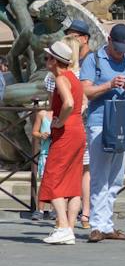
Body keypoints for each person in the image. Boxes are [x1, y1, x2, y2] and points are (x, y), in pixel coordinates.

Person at [79, 21, 125, 242]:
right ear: (109, 41)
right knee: (100, 174)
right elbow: (86, 91)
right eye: (118, 49)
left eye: (124, 50)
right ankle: (97, 226)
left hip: (122, 123)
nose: (121, 54)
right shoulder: (94, 59)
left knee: (116, 177)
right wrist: (109, 85)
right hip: (100, 122)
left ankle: (107, 224)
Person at [38, 41, 85, 243]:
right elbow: (79, 103)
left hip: (66, 131)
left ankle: (63, 226)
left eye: (48, 58)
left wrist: (59, 121)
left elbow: (69, 103)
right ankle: (70, 229)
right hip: (78, 129)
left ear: (55, 61)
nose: (46, 61)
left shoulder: (60, 78)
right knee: (73, 181)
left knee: (53, 176)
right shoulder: (74, 77)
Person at [64, 21, 92, 225]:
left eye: (74, 36)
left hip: (86, 120)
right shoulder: (68, 62)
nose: (70, 40)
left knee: (86, 168)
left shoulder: (91, 60)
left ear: (84, 39)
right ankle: (74, 213)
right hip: (77, 121)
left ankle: (86, 211)